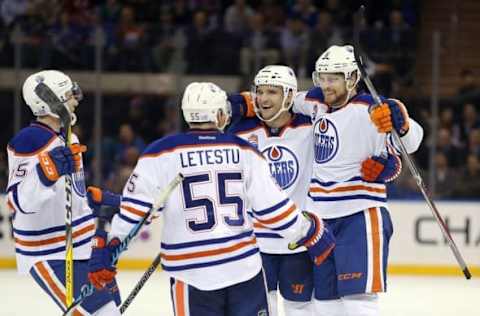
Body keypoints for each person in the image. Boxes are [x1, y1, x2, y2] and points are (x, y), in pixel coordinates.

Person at [87, 82, 335, 316]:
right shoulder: (244, 150)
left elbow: (136, 213)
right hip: (244, 270)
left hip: (191, 274)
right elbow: (273, 208)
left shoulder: (160, 153)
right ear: (218, 115)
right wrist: (308, 230)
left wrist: (109, 249)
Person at [292, 45, 423, 316]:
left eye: (333, 78)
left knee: (358, 301)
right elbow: (282, 99)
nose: (326, 85)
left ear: (352, 78)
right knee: (324, 304)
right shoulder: (315, 102)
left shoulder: (372, 111)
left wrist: (403, 123)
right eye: (322, 77)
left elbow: (411, 143)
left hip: (359, 215)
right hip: (321, 220)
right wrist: (244, 103)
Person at [6, 70, 121, 315]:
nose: (76, 99)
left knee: (112, 309)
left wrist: (102, 203)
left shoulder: (69, 136)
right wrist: (44, 175)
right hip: (51, 251)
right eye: (69, 94)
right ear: (50, 102)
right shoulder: (30, 140)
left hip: (82, 245)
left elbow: (70, 195)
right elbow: (19, 201)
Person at [228, 65, 315, 316]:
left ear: (289, 96)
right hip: (255, 242)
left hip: (297, 241)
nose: (263, 99)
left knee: (302, 310)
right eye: (260, 91)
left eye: (272, 92)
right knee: (261, 309)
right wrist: (234, 103)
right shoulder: (240, 130)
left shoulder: (311, 126)